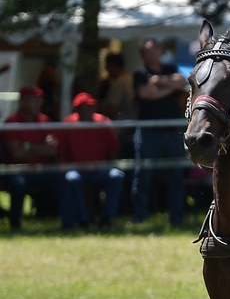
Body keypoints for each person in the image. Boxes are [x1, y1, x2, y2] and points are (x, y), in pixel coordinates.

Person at [132, 37, 187, 226]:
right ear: (142, 55)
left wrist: (160, 82)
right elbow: (145, 94)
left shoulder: (170, 69)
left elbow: (181, 82)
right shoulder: (139, 73)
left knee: (176, 176)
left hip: (171, 130)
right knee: (144, 175)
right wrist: (169, 88)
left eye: (154, 50)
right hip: (148, 131)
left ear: (159, 51)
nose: (151, 54)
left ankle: (177, 218)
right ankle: (140, 218)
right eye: (147, 51)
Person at [58, 92, 124, 229]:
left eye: (91, 106)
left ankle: (107, 217)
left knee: (117, 175)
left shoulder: (104, 122)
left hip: (99, 169)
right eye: (83, 107)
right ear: (77, 109)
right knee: (71, 178)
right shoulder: (67, 124)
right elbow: (61, 152)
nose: (88, 110)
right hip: (76, 170)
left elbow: (113, 150)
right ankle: (83, 219)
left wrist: (112, 165)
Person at [3, 86, 61, 229]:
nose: (38, 104)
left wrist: (28, 146)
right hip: (18, 171)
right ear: (22, 102)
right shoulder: (12, 122)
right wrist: (41, 147)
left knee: (63, 178)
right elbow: (17, 154)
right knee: (18, 183)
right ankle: (15, 223)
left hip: (42, 170)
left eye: (39, 101)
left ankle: (67, 220)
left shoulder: (45, 121)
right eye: (33, 101)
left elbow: (53, 150)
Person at [98, 52, 137, 159]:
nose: (106, 68)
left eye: (107, 65)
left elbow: (112, 111)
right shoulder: (131, 79)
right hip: (133, 127)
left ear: (113, 65)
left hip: (120, 131)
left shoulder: (118, 83)